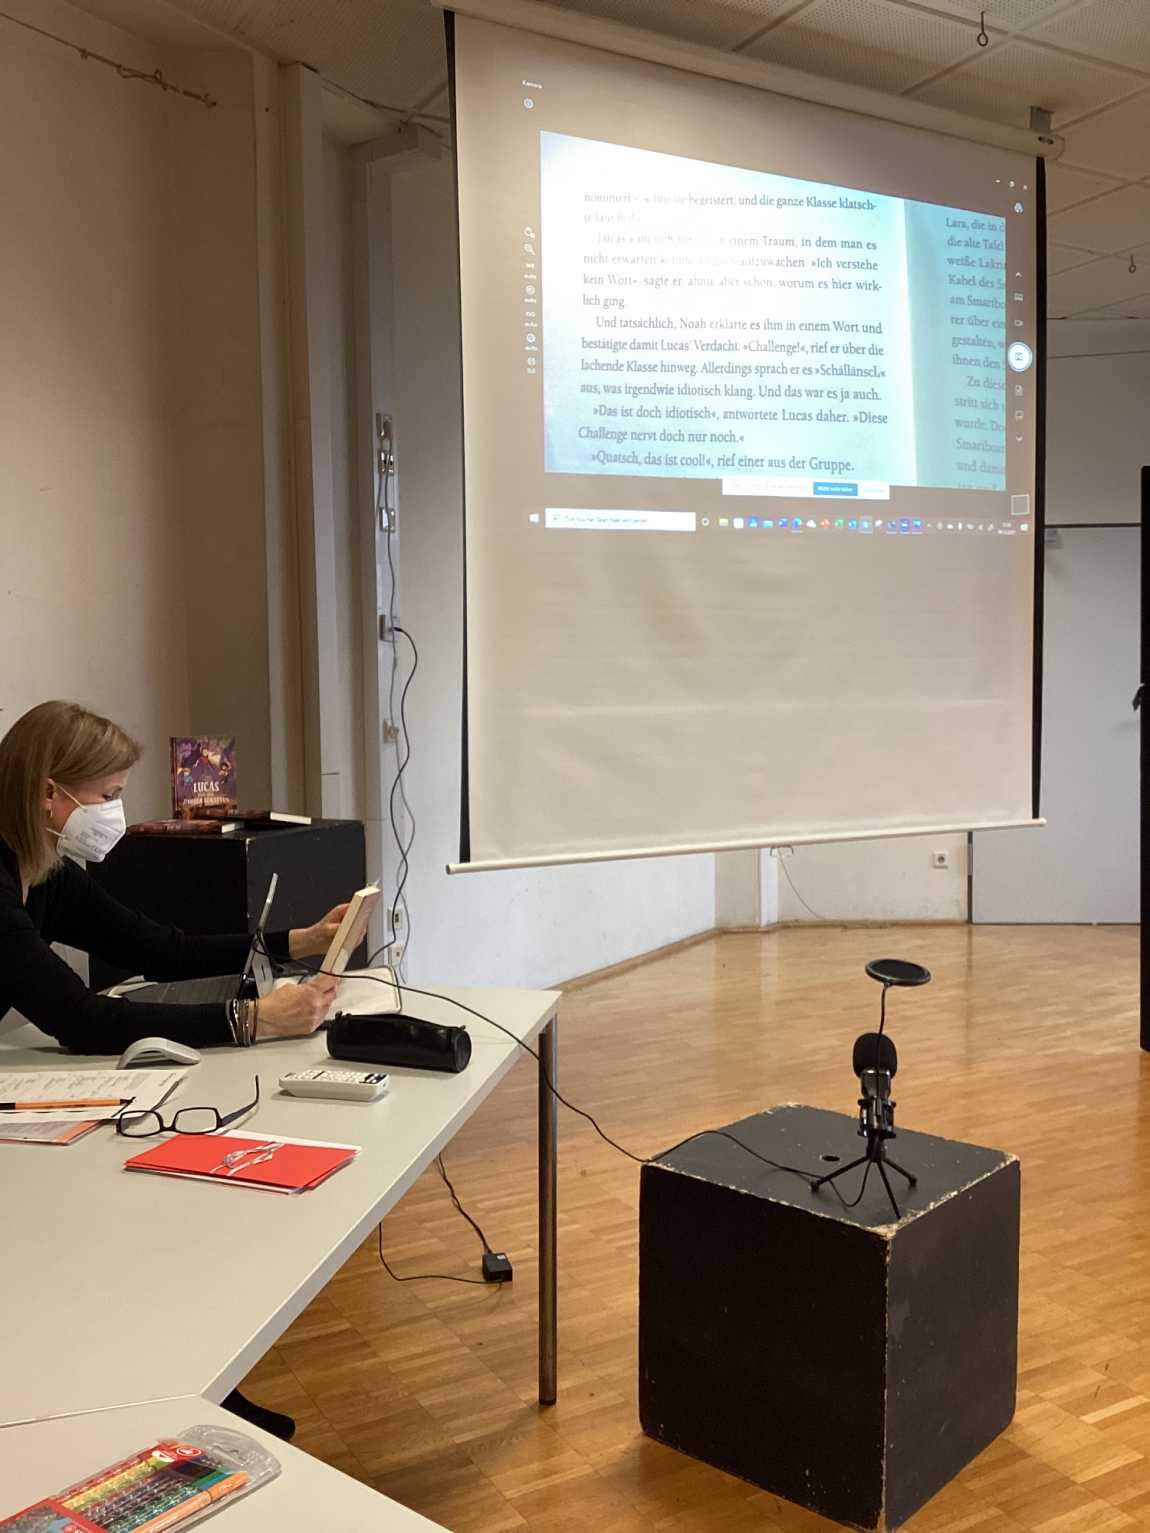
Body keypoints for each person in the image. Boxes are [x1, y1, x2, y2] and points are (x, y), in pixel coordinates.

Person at [0, 701, 342, 1054]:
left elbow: (162, 952)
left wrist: (305, 940)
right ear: (48, 793)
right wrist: (257, 1018)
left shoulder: (46, 874)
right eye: (107, 796)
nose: (115, 812)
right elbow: (81, 1020)